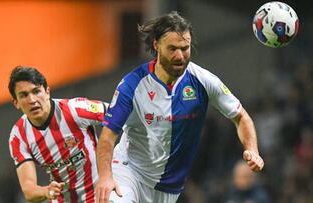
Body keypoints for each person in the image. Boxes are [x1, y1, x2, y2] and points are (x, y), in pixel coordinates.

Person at [95, 11, 264, 203]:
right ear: (156, 45)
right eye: (172, 48)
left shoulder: (203, 81)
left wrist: (252, 149)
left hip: (169, 188)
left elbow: (241, 116)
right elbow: (108, 137)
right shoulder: (132, 85)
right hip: (129, 172)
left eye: (185, 48)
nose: (180, 56)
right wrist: (106, 177)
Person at [8, 66, 107, 203]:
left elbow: (118, 112)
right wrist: (45, 191)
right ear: (16, 103)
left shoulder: (75, 109)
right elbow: (29, 190)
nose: (32, 100)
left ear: (47, 92)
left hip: (102, 196)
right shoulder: (18, 136)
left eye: (36, 91)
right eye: (24, 95)